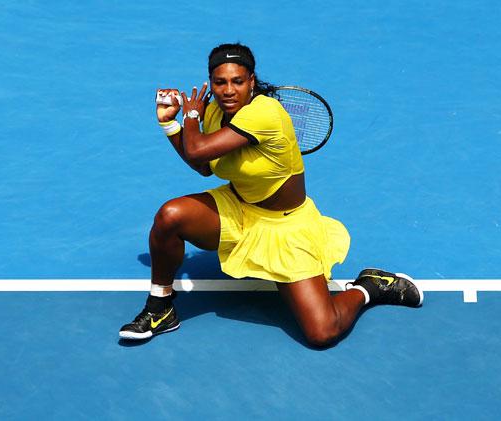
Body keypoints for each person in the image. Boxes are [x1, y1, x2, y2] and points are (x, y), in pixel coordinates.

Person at [119, 43, 423, 347]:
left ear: (252, 81)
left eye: (237, 81)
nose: (228, 90)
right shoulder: (214, 112)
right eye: (220, 82)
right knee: (169, 216)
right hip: (239, 208)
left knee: (323, 332)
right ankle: (160, 308)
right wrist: (170, 124)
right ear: (210, 82)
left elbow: (197, 147)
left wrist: (190, 117)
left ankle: (370, 286)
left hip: (285, 229)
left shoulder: (264, 113)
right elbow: (203, 167)